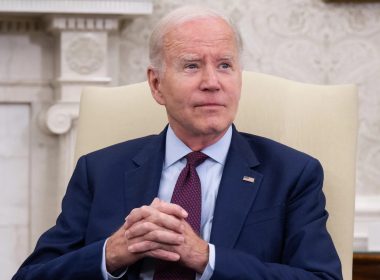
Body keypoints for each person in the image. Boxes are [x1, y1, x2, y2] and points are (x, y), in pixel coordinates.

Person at [13, 6, 343, 280]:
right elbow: (31, 275)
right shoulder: (100, 170)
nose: (212, 83)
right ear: (157, 85)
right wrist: (110, 254)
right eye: (192, 65)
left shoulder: (292, 174)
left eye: (225, 65)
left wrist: (207, 258)